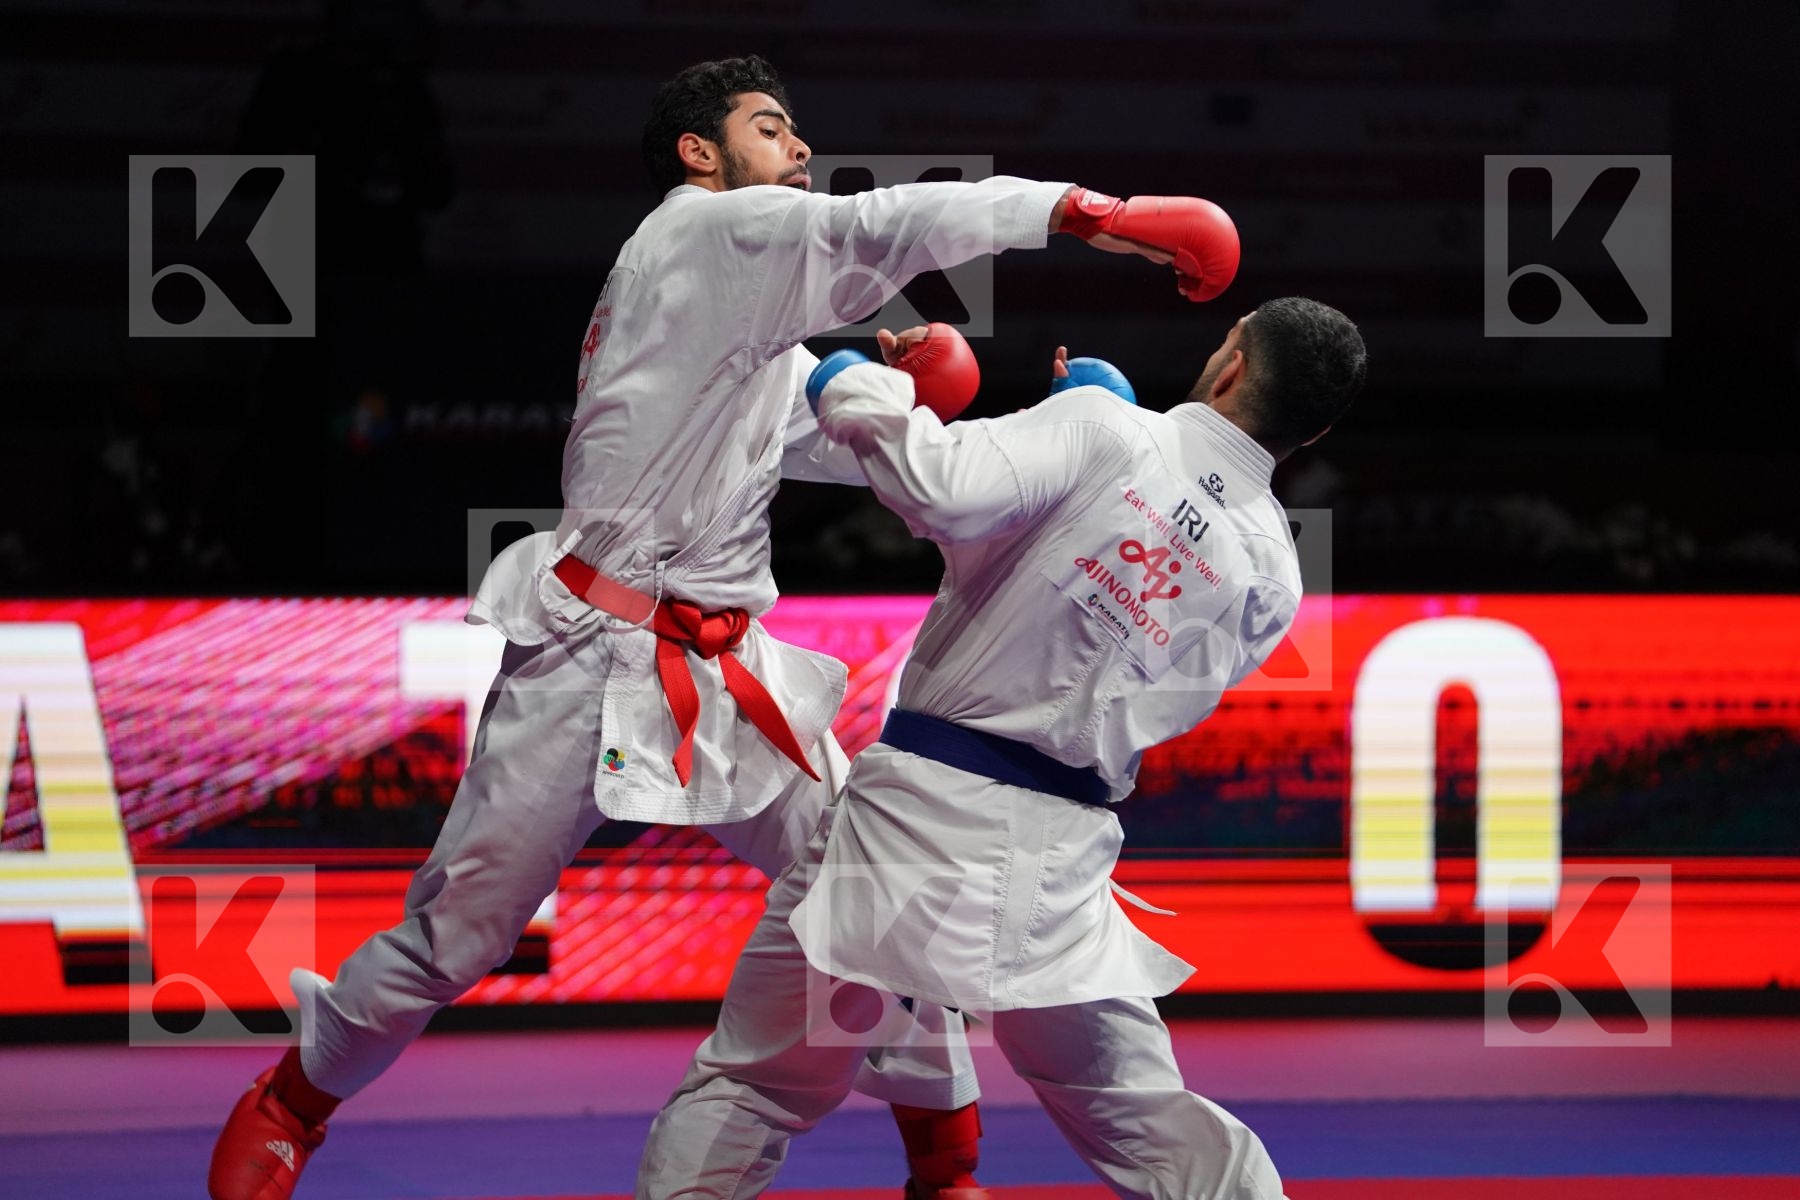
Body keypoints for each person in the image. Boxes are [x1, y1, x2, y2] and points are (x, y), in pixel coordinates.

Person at [207, 53, 1241, 1200]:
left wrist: (888, 387)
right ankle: (291, 1103)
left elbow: (813, 436)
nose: (798, 150)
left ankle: (945, 1172)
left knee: (870, 890)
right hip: (587, 659)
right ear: (702, 155)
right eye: (769, 128)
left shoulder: (745, 315)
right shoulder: (702, 234)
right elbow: (892, 223)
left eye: (798, 131)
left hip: (728, 671)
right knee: (463, 935)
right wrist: (1087, 215)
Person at [634, 297, 1367, 1200]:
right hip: (1055, 870)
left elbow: (939, 488)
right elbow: (1150, 678)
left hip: (909, 834)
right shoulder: (1274, 575)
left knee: (759, 1084)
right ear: (1316, 427)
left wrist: (849, 381)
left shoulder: (1105, 430)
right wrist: (1096, 474)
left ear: (1229, 369)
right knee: (1142, 1114)